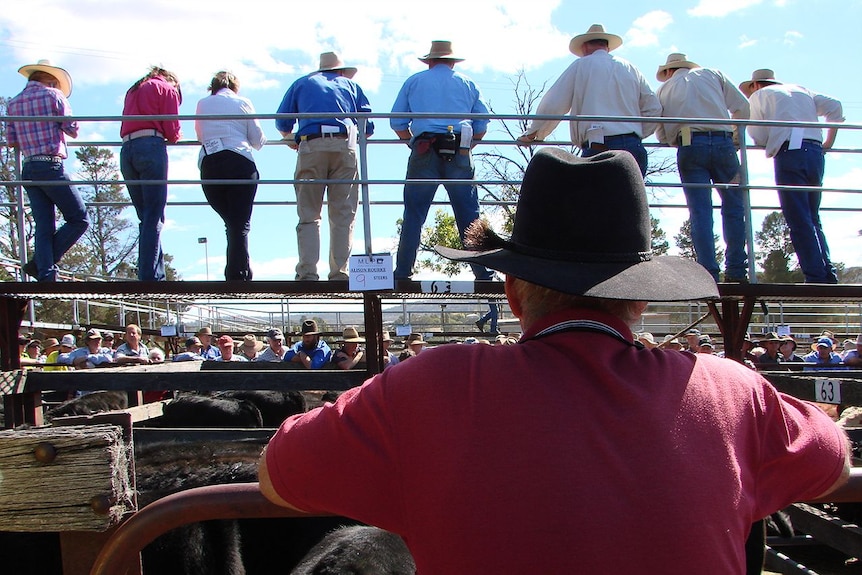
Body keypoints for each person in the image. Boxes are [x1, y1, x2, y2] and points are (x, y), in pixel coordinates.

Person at [259, 148, 849, 574]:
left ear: (513, 292)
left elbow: (277, 473)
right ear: (641, 296)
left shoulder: (429, 386)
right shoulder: (728, 389)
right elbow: (833, 460)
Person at [390, 40, 493, 281]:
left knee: (414, 213)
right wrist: (467, 146)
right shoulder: (467, 83)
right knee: (469, 214)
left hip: (424, 149)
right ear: (453, 62)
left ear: (429, 61)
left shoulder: (414, 81)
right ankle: (482, 272)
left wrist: (413, 144)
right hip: (460, 148)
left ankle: (403, 272)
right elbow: (482, 124)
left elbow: (397, 122)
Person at [276, 52, 373, 281]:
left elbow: (282, 122)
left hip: (311, 147)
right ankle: (340, 272)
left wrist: (292, 139)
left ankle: (308, 271)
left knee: (309, 213)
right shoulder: (352, 86)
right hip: (344, 148)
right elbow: (367, 127)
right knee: (343, 214)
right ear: (341, 71)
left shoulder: (303, 83)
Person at [654, 53, 751, 283]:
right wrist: (736, 138)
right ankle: (737, 268)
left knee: (700, 211)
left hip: (689, 146)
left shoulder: (664, 90)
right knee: (735, 206)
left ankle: (708, 272)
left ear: (669, 71)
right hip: (724, 145)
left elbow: (661, 133)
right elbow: (742, 107)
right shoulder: (712, 74)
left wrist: (673, 137)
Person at [741, 69, 843, 284]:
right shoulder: (801, 90)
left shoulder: (759, 96)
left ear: (756, 85)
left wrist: (768, 141)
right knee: (812, 216)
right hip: (815, 150)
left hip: (789, 152)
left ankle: (815, 275)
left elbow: (758, 134)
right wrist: (829, 142)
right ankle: (827, 272)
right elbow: (835, 106)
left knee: (798, 217)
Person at [516, 25, 660, 176]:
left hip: (598, 146)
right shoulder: (630, 68)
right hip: (632, 146)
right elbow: (654, 108)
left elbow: (554, 104)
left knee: (594, 199)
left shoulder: (581, 65)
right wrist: (634, 131)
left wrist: (535, 133)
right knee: (629, 199)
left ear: (584, 46)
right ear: (607, 47)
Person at [7, 59, 90, 282]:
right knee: (79, 218)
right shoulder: (53, 96)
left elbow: (12, 141)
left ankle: (45, 272)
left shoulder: (13, 104)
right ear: (50, 79)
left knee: (44, 225)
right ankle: (40, 264)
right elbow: (72, 128)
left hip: (29, 167)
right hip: (51, 164)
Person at [195, 71, 266, 281]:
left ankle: (241, 268)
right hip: (239, 161)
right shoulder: (243, 102)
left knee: (233, 223)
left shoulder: (202, 103)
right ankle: (238, 274)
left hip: (210, 164)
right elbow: (258, 140)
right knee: (240, 223)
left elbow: (200, 135)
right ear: (236, 86)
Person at [120, 66, 183, 281]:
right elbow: (172, 131)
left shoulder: (134, 89)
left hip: (126, 150)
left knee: (146, 216)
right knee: (154, 215)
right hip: (150, 146)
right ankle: (149, 276)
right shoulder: (165, 88)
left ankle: (157, 273)